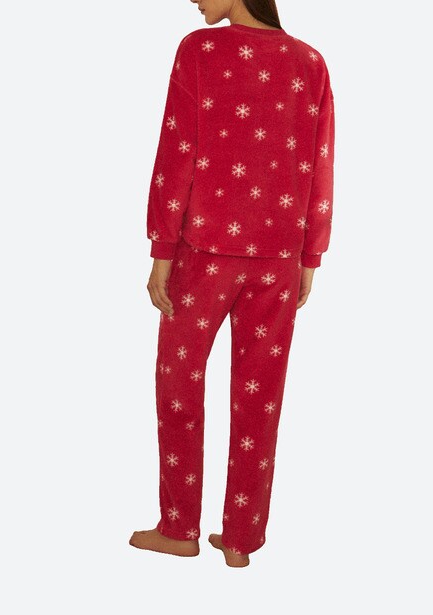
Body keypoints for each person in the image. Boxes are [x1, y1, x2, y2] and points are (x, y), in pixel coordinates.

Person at [129, 0, 335, 568]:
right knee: (260, 397)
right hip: (279, 259)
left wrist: (161, 249)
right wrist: (310, 255)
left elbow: (178, 149)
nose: (193, 0)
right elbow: (321, 163)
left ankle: (180, 528)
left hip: (205, 252)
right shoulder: (311, 62)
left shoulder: (199, 51)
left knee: (179, 386)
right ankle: (241, 539)